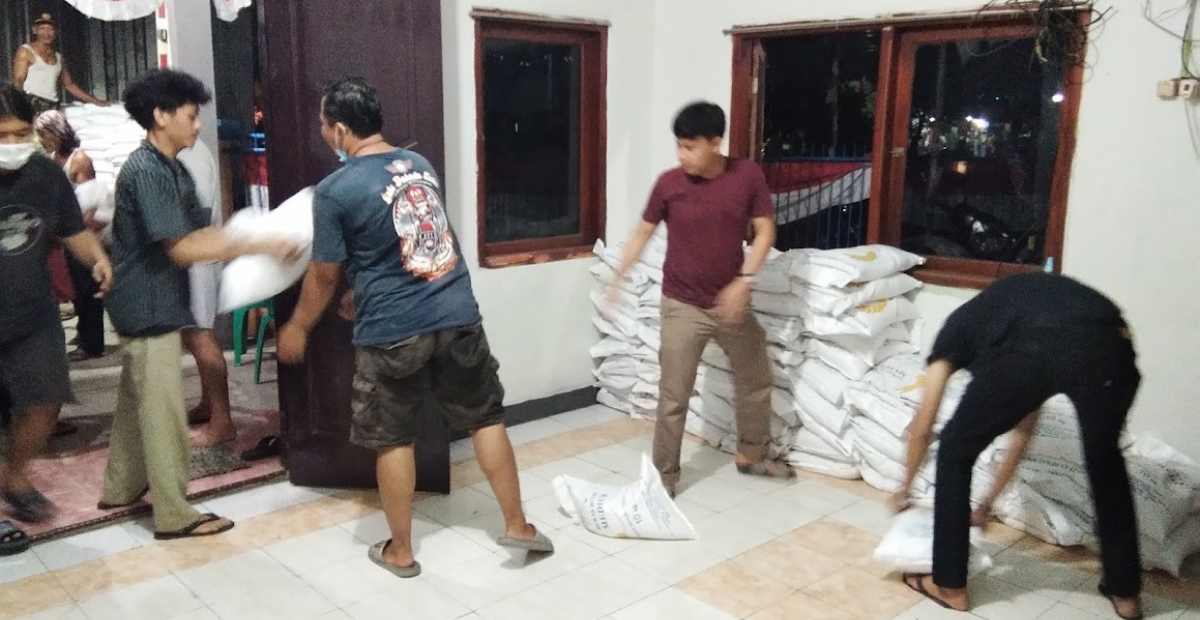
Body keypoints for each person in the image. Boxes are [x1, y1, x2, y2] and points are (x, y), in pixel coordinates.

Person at [277, 77, 552, 578]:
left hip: (393, 330)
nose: (322, 132)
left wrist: (298, 325)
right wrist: (364, 291)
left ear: (340, 130)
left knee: (393, 438)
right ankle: (518, 525)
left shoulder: (335, 191)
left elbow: (323, 275)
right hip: (456, 312)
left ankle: (401, 551)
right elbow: (412, 240)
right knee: (485, 418)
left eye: (323, 123)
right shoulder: (419, 165)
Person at [100, 69, 297, 540]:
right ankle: (174, 514)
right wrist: (258, 244)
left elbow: (200, 233)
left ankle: (120, 487)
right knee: (163, 413)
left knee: (135, 400)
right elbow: (182, 247)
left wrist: (251, 236)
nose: (197, 125)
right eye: (190, 116)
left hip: (159, 299)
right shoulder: (146, 171)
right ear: (161, 116)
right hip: (146, 305)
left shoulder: (173, 168)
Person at [891, 272, 1143, 620]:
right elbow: (1024, 428)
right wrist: (986, 504)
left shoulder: (956, 330)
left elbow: (923, 424)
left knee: (954, 450)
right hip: (1112, 340)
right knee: (1106, 463)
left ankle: (949, 585)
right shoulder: (1012, 313)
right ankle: (1126, 593)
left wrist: (903, 488)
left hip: (1040, 342)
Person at [606, 101, 792, 497]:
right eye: (679, 145)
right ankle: (664, 479)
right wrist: (618, 277)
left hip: (730, 306)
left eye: (690, 147)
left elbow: (764, 231)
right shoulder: (669, 184)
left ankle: (752, 455)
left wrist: (744, 281)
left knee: (756, 378)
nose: (681, 155)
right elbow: (642, 232)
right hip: (682, 306)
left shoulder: (747, 176)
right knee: (673, 396)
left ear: (715, 142)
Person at [0, 84, 112, 528]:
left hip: (33, 313)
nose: (12, 144)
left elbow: (72, 230)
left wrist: (98, 258)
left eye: (20, 133)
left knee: (46, 400)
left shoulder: (46, 176)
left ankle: (14, 476)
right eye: (2, 135)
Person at [177, 139, 236, 447]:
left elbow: (198, 211)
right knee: (195, 336)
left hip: (195, 257)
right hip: (192, 255)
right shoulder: (186, 151)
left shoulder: (190, 153)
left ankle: (222, 421)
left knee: (201, 337)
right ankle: (208, 405)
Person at [35, 109, 106, 361]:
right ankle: (84, 335)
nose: (41, 140)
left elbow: (90, 206)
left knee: (87, 290)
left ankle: (93, 344)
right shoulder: (54, 159)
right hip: (68, 234)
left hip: (82, 233)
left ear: (56, 133)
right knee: (77, 289)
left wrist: (74, 234)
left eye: (44, 134)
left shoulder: (80, 160)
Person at [11, 14, 107, 116]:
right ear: (35, 30)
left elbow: (69, 85)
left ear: (56, 32)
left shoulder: (59, 57)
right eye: (42, 29)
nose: (46, 33)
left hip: (52, 106)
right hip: (31, 103)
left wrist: (95, 101)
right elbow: (19, 80)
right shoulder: (26, 51)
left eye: (50, 29)